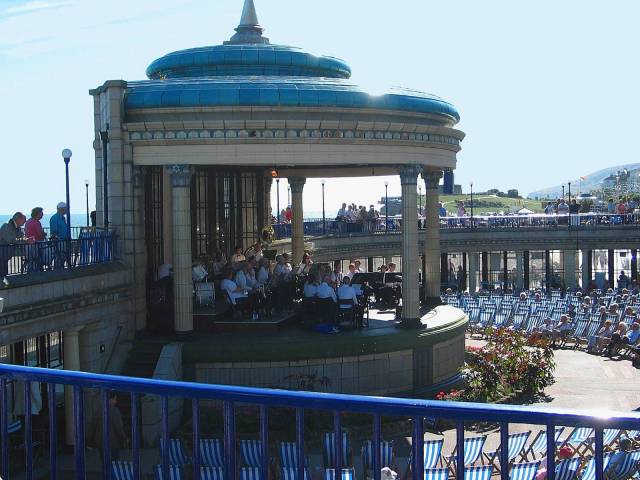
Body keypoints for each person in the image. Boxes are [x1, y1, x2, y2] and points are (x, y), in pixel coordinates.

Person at [89, 392, 128, 466]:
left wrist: (90, 441)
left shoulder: (99, 410)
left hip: (101, 442)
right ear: (110, 399)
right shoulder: (115, 411)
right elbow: (118, 428)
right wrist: (124, 438)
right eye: (115, 399)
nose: (116, 402)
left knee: (104, 464)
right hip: (112, 443)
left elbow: (93, 426)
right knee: (114, 464)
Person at [0, 212, 26, 282]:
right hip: (2, 253)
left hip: (5, 254)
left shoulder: (18, 228)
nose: (25, 222)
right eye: (24, 220)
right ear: (18, 219)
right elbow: (10, 240)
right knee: (2, 272)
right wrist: (26, 240)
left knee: (4, 273)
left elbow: (21, 238)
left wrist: (26, 240)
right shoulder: (6, 226)